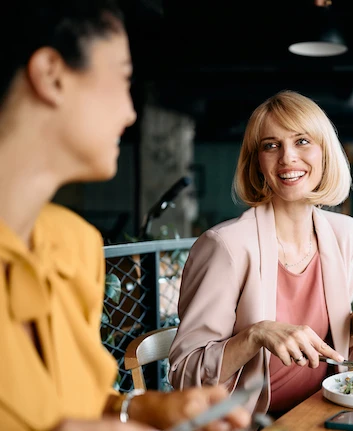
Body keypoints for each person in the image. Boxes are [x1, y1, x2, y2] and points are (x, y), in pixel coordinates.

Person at [0, 1, 251, 430]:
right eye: (122, 79)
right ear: (52, 75)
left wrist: (143, 410)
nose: (130, 112)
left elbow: (72, 401)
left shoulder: (73, 246)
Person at [169, 90, 353, 416]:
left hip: (325, 413)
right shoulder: (226, 246)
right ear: (257, 162)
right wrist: (255, 335)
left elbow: (323, 350)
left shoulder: (343, 232)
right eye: (271, 145)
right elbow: (183, 377)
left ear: (325, 153)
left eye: (302, 141)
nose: (287, 157)